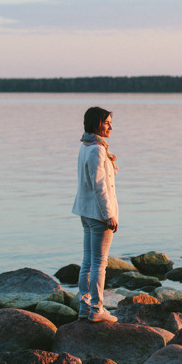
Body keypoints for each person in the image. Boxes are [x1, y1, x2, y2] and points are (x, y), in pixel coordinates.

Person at [72, 106, 119, 322]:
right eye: (107, 122)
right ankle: (97, 309)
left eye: (110, 122)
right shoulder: (97, 150)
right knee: (100, 263)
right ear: (96, 124)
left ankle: (84, 306)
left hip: (86, 212)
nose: (111, 126)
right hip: (99, 214)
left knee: (88, 261)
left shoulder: (86, 145)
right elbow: (100, 185)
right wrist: (109, 214)